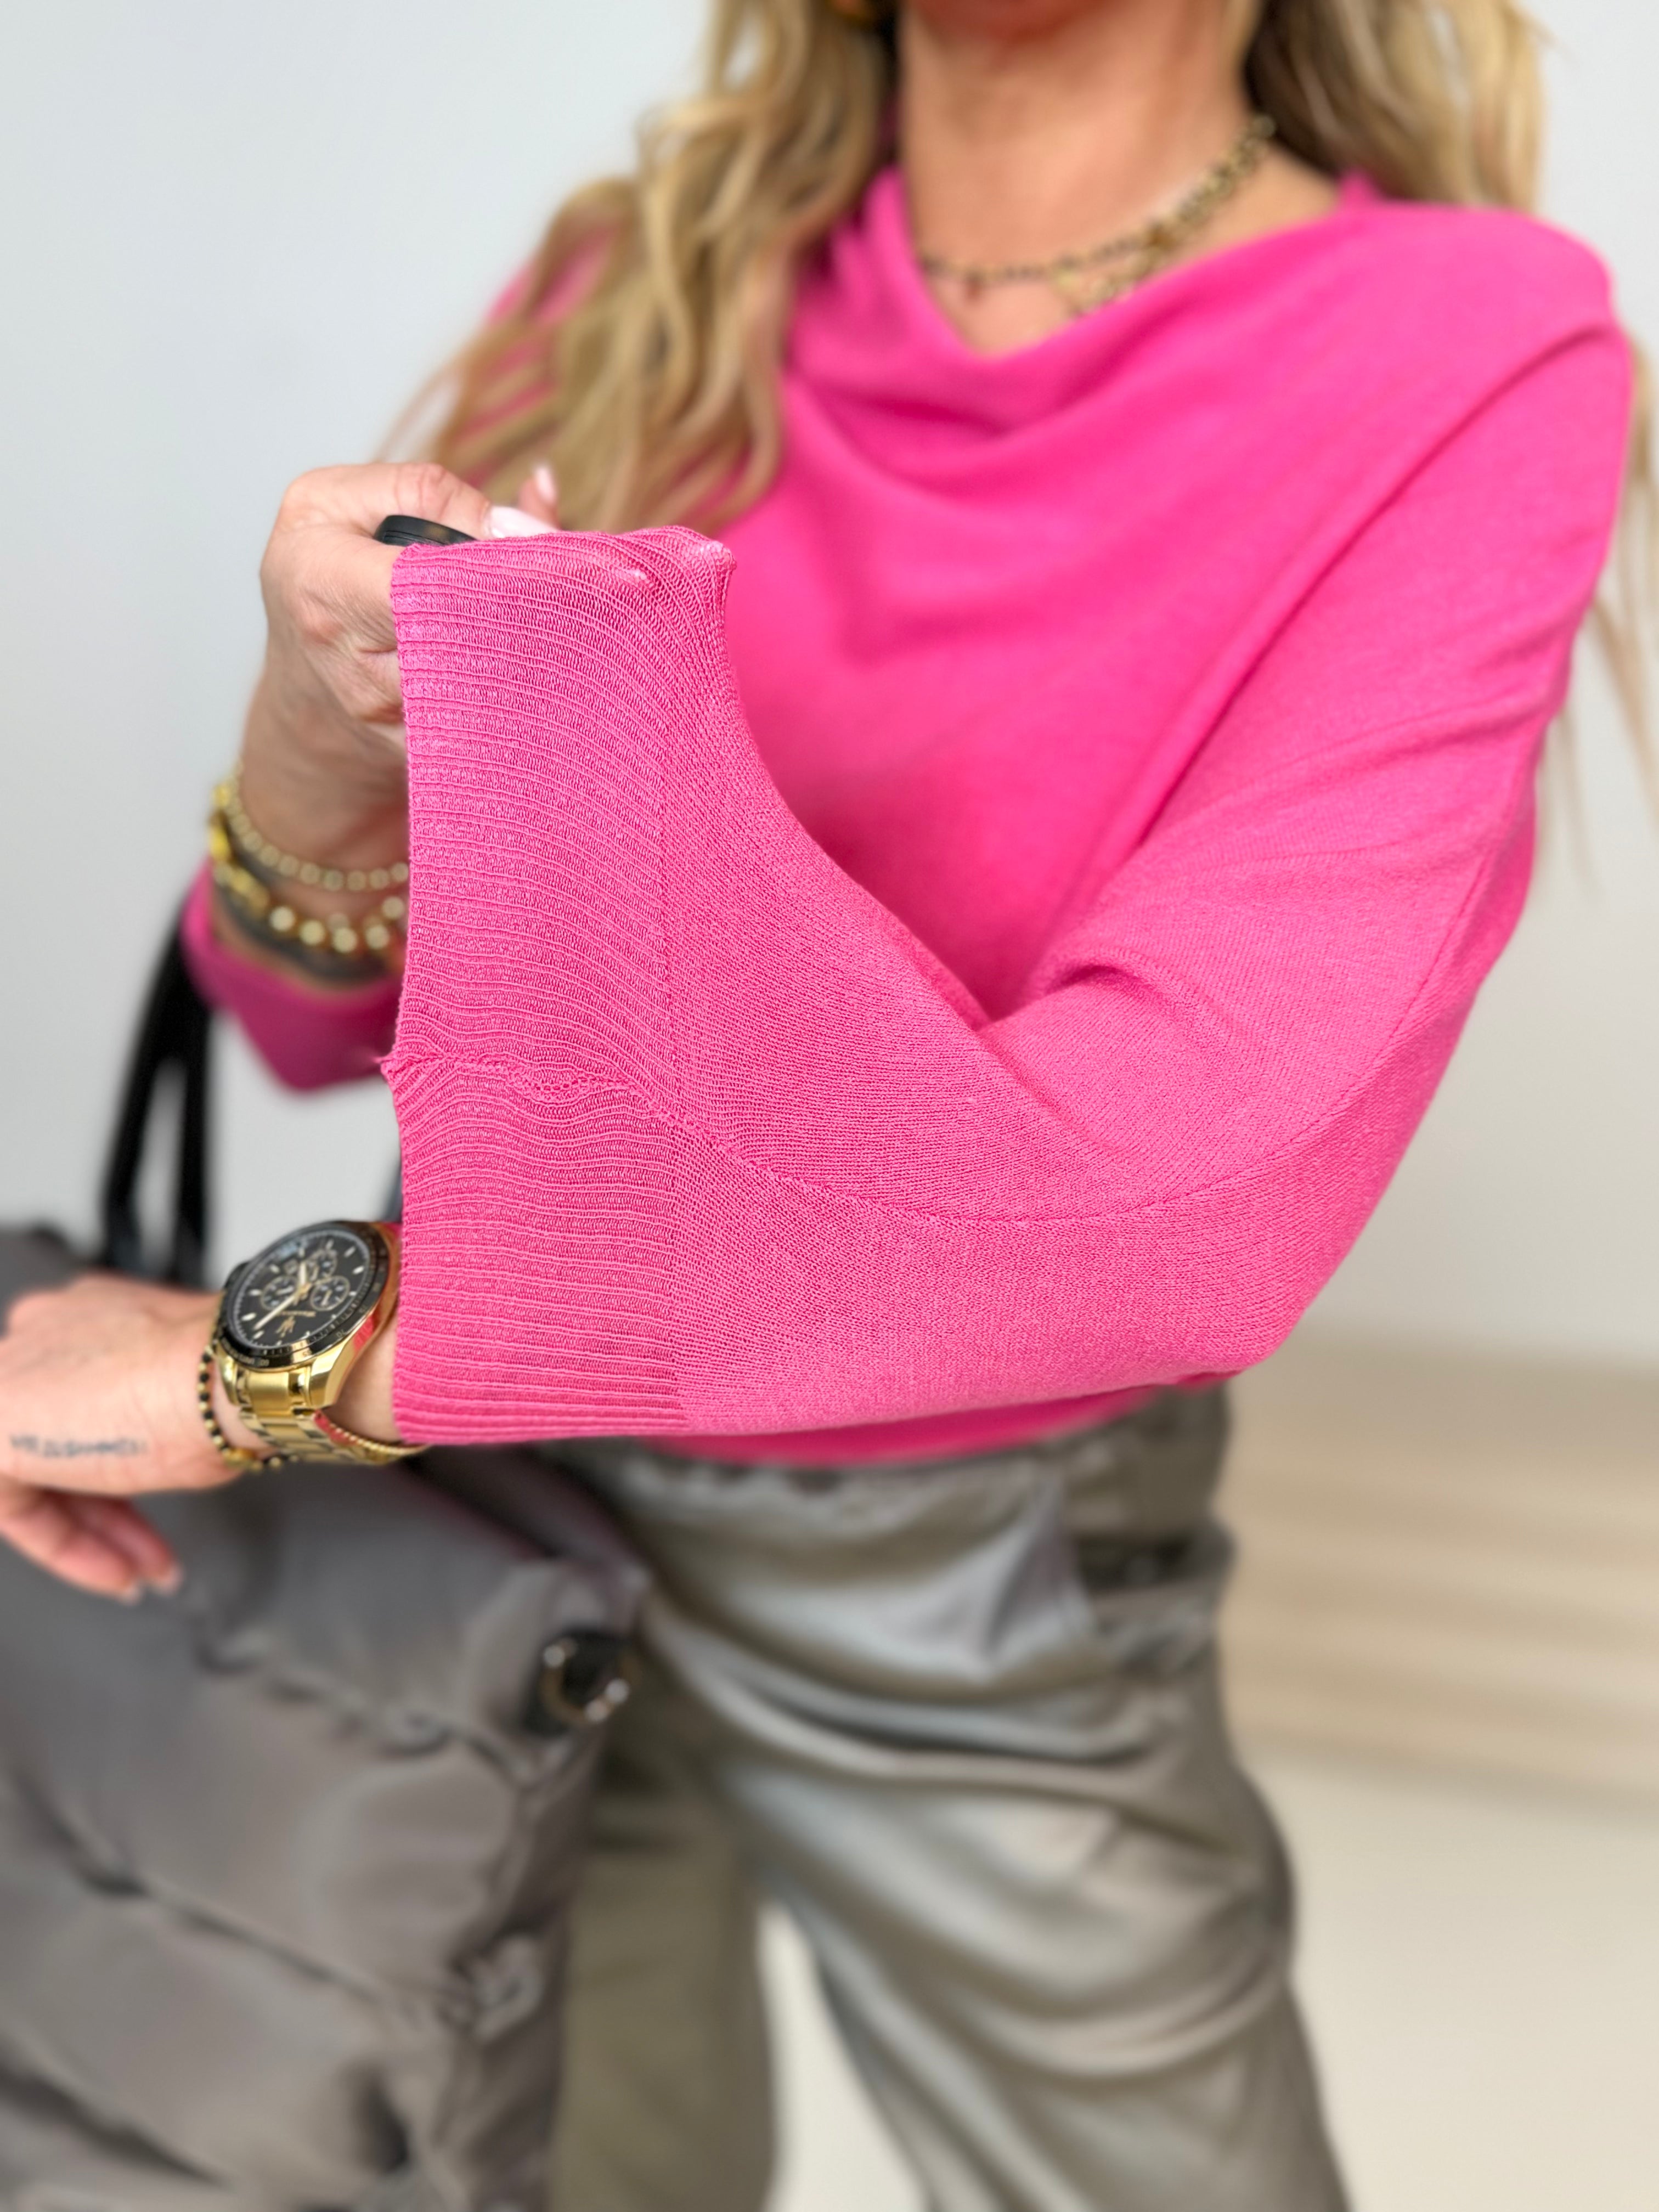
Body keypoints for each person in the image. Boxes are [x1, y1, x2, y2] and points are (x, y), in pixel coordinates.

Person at [0, 0, 1642, 2205]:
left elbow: (1167, 1222)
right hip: (494, 1511)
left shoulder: (1472, 350)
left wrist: (259, 1369)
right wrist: (313, 736)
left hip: (953, 1572)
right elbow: (299, 1016)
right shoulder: (649, 270)